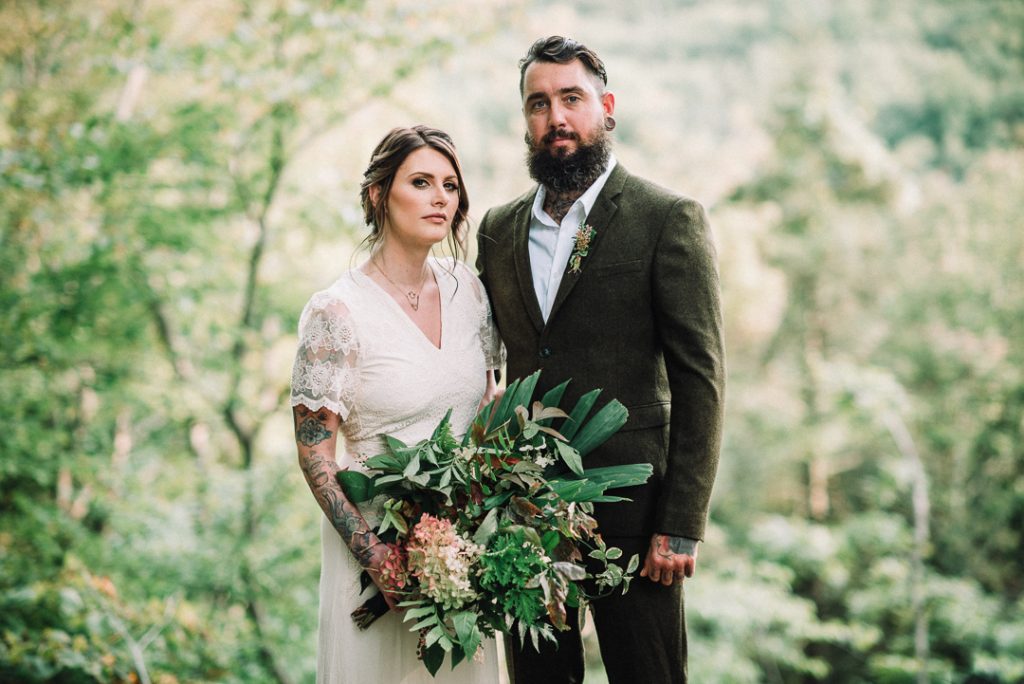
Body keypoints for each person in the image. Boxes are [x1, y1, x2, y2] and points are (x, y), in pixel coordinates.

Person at [476, 36, 725, 683]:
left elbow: (702, 381)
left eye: (571, 99)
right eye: (538, 103)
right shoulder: (497, 230)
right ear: (525, 119)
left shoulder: (667, 218)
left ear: (605, 107)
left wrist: (681, 524)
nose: (555, 117)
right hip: (524, 514)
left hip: (636, 519)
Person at [290, 125, 504, 683]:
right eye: (421, 182)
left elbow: (486, 408)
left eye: (451, 185)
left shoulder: (469, 291)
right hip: (374, 547)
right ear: (378, 195)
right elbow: (315, 456)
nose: (441, 197)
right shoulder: (337, 312)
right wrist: (376, 556)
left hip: (462, 548)